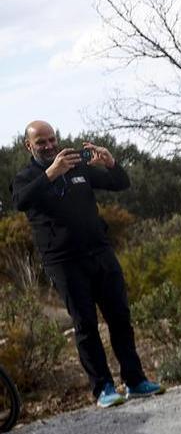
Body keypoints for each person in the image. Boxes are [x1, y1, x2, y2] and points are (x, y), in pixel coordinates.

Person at [10, 121, 164, 408]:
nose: (48, 145)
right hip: (64, 262)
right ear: (28, 145)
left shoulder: (77, 167)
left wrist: (110, 163)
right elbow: (20, 201)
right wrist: (51, 173)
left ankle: (136, 381)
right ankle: (103, 388)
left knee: (119, 317)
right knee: (86, 325)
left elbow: (120, 183)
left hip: (100, 253)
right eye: (40, 142)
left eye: (51, 139)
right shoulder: (26, 177)